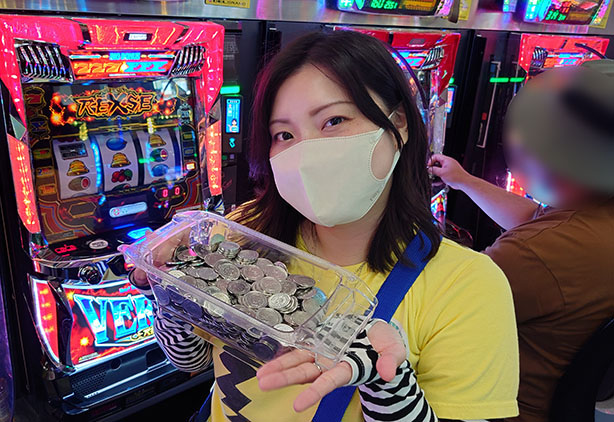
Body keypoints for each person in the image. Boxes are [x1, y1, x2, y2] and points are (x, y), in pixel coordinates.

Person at [131, 30, 519, 422]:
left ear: (399, 123)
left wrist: (388, 384)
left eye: (334, 120)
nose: (306, 153)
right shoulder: (240, 230)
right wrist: (166, 288)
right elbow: (191, 360)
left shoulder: (469, 285)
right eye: (285, 134)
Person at [429, 60, 614, 422]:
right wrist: (464, 181)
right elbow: (538, 219)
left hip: (498, 409)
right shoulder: (593, 214)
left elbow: (433, 305)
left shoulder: (536, 254)